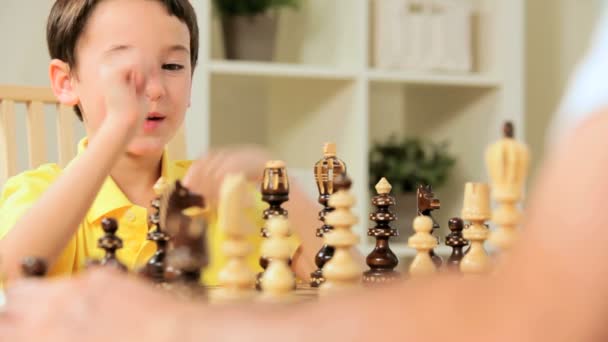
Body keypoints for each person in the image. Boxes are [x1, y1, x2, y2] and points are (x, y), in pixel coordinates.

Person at [0, 0, 322, 285]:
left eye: (172, 66)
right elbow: (13, 275)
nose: (153, 88)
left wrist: (277, 180)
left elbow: (339, 277)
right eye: (127, 69)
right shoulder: (38, 193)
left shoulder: (221, 194)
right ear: (66, 82)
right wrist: (117, 129)